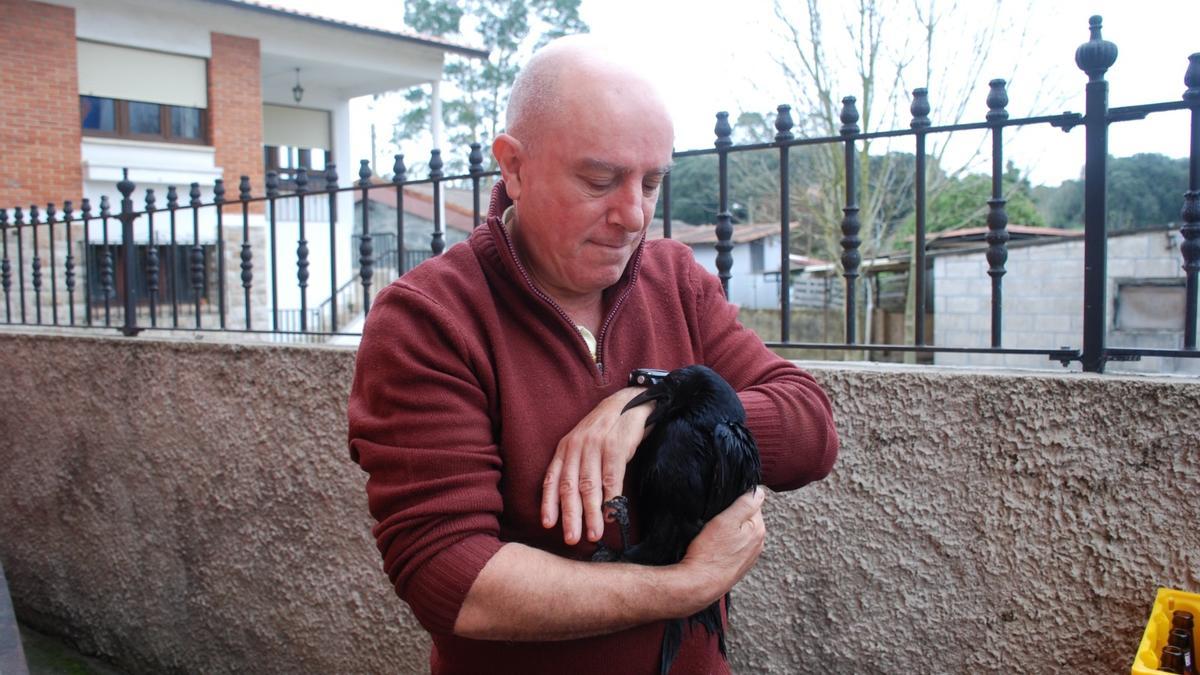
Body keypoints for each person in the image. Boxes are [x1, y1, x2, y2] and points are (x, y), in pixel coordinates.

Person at [347, 35, 839, 674]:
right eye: (600, 179)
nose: (633, 216)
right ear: (514, 167)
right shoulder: (430, 319)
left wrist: (659, 406)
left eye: (653, 182)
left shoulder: (677, 282)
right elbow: (452, 576)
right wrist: (688, 586)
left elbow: (810, 430)